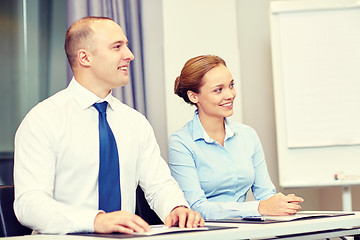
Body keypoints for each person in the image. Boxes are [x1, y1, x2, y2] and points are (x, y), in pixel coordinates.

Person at [13, 16, 204, 234]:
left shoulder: (135, 122)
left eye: (127, 46)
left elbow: (159, 185)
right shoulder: (43, 120)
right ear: (85, 57)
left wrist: (176, 207)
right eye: (117, 47)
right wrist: (95, 221)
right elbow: (28, 204)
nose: (129, 55)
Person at [168, 55, 304, 220]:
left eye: (231, 85)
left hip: (244, 231)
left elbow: (266, 194)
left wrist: (282, 204)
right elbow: (196, 208)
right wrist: (259, 207)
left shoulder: (248, 135)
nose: (230, 95)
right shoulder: (181, 142)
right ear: (194, 96)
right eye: (218, 89)